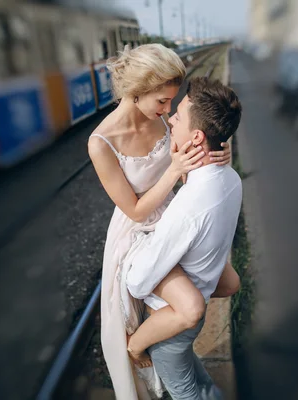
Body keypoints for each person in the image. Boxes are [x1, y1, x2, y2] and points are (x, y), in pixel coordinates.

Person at [87, 44, 240, 399]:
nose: (167, 111)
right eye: (162, 101)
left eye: (172, 103)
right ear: (136, 92)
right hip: (140, 230)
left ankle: (166, 329)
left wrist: (218, 154)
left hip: (176, 215)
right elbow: (136, 211)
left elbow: (191, 154)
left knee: (230, 282)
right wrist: (174, 170)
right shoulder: (101, 143)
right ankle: (144, 342)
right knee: (188, 308)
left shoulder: (161, 117)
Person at [125, 76, 243, 400]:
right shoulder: (231, 179)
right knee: (198, 382)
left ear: (196, 137)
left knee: (186, 393)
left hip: (168, 329)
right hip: (195, 311)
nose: (169, 119)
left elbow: (137, 282)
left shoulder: (189, 208)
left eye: (177, 116)